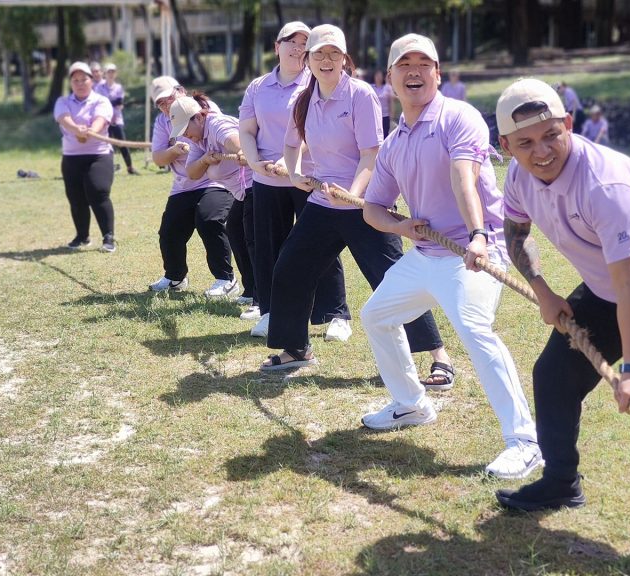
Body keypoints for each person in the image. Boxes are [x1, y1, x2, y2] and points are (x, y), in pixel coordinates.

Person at [493, 78, 630, 576]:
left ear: (568, 123)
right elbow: (516, 232)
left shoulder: (605, 182)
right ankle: (560, 482)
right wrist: (542, 289)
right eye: (525, 143)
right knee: (554, 374)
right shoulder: (517, 176)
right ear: (506, 146)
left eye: (551, 135)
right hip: (605, 289)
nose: (541, 151)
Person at [360, 34, 540, 479]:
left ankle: (525, 442)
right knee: (376, 315)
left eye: (425, 64)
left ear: (437, 74)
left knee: (475, 330)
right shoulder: (394, 143)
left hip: (473, 250)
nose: (415, 71)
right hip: (425, 254)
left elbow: (465, 177)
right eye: (405, 64)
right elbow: (372, 209)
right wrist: (400, 226)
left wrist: (477, 235)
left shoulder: (458, 117)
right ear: (390, 79)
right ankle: (411, 404)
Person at [262, 24, 455, 388]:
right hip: (323, 202)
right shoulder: (303, 99)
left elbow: (371, 153)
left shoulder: (360, 95)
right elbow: (291, 145)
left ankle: (438, 356)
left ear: (345, 58)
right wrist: (296, 173)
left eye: (334, 53)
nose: (326, 60)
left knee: (394, 279)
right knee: (290, 267)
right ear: (308, 60)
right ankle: (296, 349)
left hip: (366, 202)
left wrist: (351, 192)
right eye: (319, 53)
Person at [238, 21, 350, 338]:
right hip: (266, 181)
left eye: (304, 42)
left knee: (321, 247)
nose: (298, 48)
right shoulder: (258, 87)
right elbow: (246, 130)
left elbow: (313, 131)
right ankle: (271, 312)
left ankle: (335, 314)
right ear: (277, 46)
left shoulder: (316, 83)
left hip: (308, 178)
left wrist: (290, 164)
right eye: (291, 41)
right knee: (268, 249)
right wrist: (256, 163)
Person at [149, 76, 238, 299]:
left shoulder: (203, 111)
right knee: (169, 230)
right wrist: (174, 150)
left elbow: (227, 139)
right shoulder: (162, 122)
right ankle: (175, 277)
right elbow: (158, 158)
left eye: (168, 98)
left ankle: (226, 279)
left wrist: (239, 151)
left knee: (209, 220)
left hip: (215, 181)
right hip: (184, 185)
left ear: (180, 91)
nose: (166, 105)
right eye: (160, 103)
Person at [168, 93, 257, 310]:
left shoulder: (216, 125)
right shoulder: (198, 140)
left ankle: (262, 300)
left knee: (254, 241)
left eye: (185, 129)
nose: (185, 135)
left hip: (257, 186)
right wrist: (205, 159)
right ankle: (252, 290)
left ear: (199, 117)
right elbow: (192, 173)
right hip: (242, 192)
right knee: (235, 232)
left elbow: (234, 140)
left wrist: (240, 151)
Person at [53, 62, 117, 253]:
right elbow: (63, 118)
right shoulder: (63, 101)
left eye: (84, 79)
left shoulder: (101, 101)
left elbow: (100, 120)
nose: (80, 83)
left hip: (98, 155)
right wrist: (76, 129)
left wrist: (89, 132)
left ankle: (108, 237)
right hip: (71, 157)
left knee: (98, 191)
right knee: (76, 197)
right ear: (70, 83)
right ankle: (82, 236)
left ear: (91, 80)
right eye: (76, 80)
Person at [96, 63, 138, 175]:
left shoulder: (118, 87)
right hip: (104, 120)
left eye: (113, 72)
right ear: (104, 74)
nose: (111, 74)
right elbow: (100, 103)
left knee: (122, 143)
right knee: (106, 145)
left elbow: (119, 103)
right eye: (109, 72)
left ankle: (130, 167)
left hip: (117, 120)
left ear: (116, 74)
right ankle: (108, 168)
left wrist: (108, 102)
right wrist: (112, 103)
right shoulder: (99, 87)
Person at [371, 69, 396, 138]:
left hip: (385, 116)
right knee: (375, 136)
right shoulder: (370, 87)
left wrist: (392, 115)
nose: (378, 78)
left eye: (380, 76)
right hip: (374, 116)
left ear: (383, 77)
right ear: (374, 77)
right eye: (377, 76)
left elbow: (391, 101)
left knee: (385, 135)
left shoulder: (387, 87)